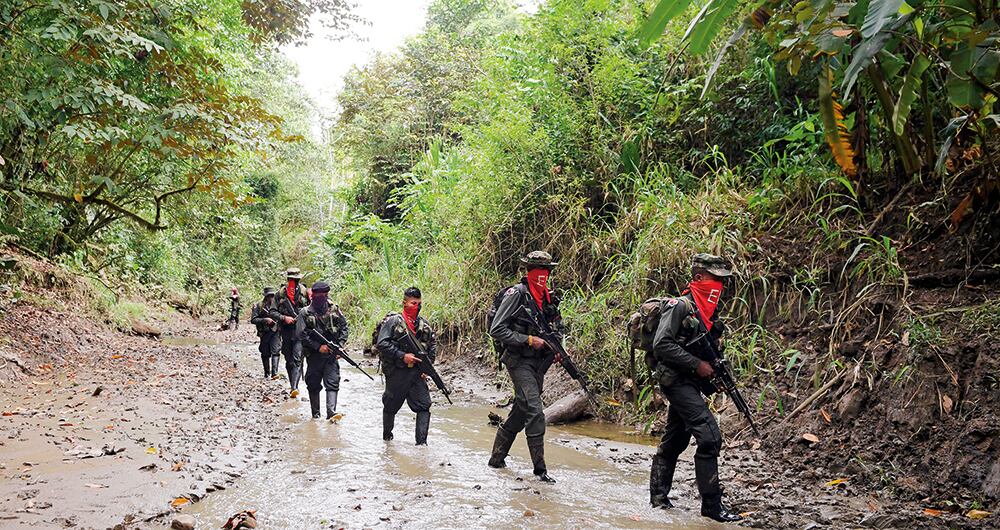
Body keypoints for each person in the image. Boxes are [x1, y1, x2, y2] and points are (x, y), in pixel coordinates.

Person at [647, 253, 742, 523]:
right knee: (709, 437)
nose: (719, 286)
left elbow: (709, 351)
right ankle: (712, 507)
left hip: (690, 382)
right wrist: (697, 365)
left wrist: (717, 375)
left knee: (676, 439)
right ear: (698, 278)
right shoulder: (679, 306)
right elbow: (662, 345)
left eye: (722, 281)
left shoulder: (709, 313)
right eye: (715, 279)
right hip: (675, 381)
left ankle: (658, 498)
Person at [487, 251, 562, 483]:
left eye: (546, 271)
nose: (542, 275)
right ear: (528, 271)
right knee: (535, 410)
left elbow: (557, 328)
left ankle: (496, 459)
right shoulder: (517, 294)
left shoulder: (548, 298)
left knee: (521, 411)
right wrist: (528, 340)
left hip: (539, 363)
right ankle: (540, 471)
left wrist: (557, 349)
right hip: (518, 360)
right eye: (538, 271)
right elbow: (497, 329)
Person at [376, 287, 437, 445]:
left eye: (418, 303)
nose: (416, 306)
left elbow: (431, 347)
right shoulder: (393, 321)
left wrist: (427, 368)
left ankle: (421, 445)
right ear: (404, 303)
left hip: (417, 373)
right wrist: (402, 356)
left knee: (424, 406)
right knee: (390, 406)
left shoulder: (424, 325)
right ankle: (387, 439)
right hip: (397, 372)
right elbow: (382, 343)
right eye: (413, 303)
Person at [295, 281, 348, 420]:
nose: (323, 298)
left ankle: (331, 412)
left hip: (331, 354)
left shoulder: (334, 309)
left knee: (333, 382)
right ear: (313, 296)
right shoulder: (305, 313)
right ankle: (316, 414)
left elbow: (344, 327)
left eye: (325, 295)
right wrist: (318, 347)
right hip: (314, 356)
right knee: (313, 383)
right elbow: (301, 335)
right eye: (319, 295)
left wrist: (340, 345)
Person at [270, 268, 309, 397]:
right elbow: (272, 312)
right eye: (291, 279)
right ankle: (292, 384)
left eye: (296, 280)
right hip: (286, 331)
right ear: (288, 279)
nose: (293, 282)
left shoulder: (305, 293)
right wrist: (284, 318)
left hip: (300, 331)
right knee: (289, 360)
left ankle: (294, 387)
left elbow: (312, 309)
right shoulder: (280, 294)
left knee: (297, 359)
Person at [250, 287, 281, 379]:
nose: (271, 298)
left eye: (272, 296)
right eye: (269, 296)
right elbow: (253, 320)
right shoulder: (259, 306)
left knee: (276, 351)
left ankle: (274, 373)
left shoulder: (279, 306)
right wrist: (265, 320)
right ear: (266, 296)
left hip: (275, 331)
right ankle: (266, 373)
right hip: (264, 333)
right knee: (265, 353)